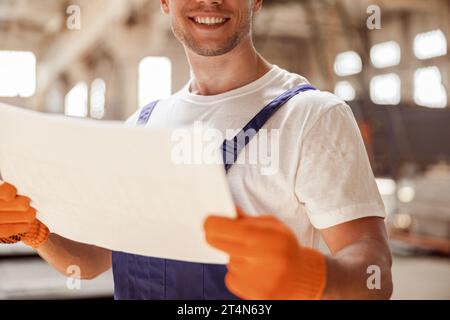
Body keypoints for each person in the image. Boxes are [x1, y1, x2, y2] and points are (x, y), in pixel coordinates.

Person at [0, 0, 393, 300]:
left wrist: (316, 275)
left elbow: (375, 272)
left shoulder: (312, 116)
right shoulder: (143, 123)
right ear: (164, 2)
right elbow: (90, 262)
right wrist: (36, 232)